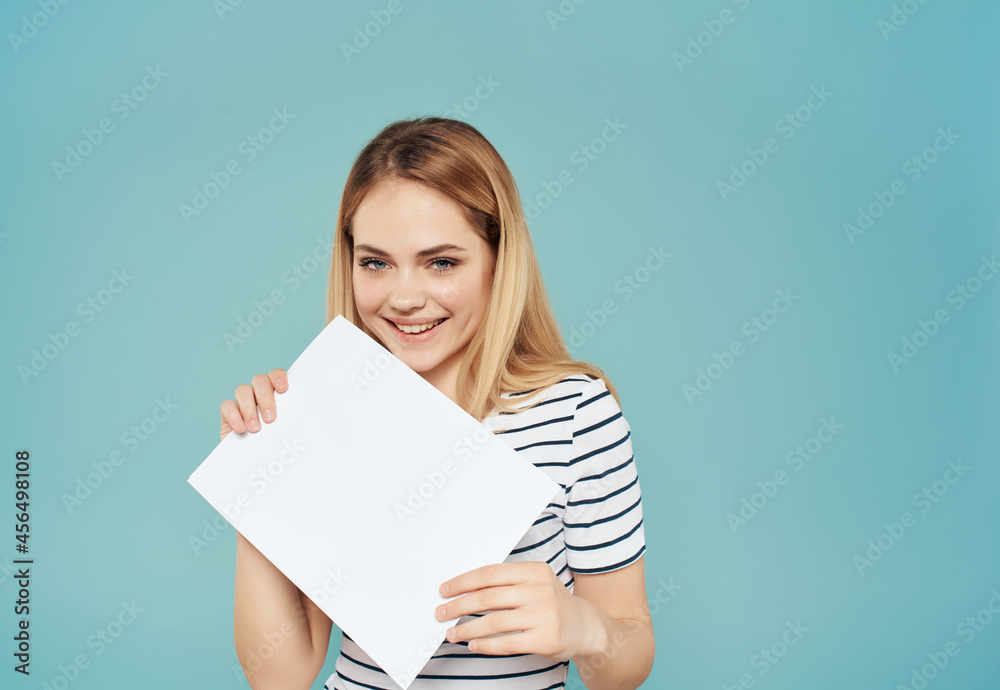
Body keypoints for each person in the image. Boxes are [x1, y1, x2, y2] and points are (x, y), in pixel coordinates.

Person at [221, 117, 654, 689]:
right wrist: (253, 480)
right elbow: (280, 675)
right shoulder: (332, 404)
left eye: (442, 262)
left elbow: (625, 660)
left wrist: (585, 628)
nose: (404, 298)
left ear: (499, 259)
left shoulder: (575, 414)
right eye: (375, 262)